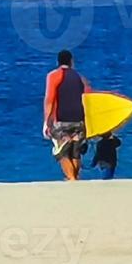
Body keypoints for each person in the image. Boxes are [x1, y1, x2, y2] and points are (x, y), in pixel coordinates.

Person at [43, 49, 91, 181]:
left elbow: (49, 99)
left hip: (62, 119)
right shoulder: (80, 78)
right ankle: (75, 177)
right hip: (79, 119)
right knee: (75, 152)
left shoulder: (53, 76)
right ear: (71, 61)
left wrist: (46, 121)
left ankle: (71, 178)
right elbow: (88, 98)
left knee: (62, 152)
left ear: (58, 62)